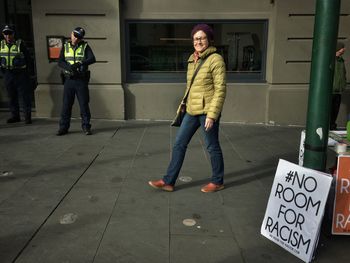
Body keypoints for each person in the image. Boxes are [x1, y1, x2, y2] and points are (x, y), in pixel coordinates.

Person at [148, 24, 226, 193]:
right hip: (192, 110)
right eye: (196, 38)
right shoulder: (192, 58)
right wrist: (184, 105)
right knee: (179, 144)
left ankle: (218, 181)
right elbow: (191, 87)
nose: (198, 41)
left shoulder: (216, 59)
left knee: (212, 146)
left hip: (207, 112)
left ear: (209, 39)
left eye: (202, 38)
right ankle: (168, 181)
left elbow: (220, 89)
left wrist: (213, 115)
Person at [56, 27, 96, 136]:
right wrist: (69, 68)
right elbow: (60, 61)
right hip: (69, 80)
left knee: (84, 105)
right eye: (75, 35)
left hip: (81, 80)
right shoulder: (65, 46)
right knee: (66, 105)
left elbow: (92, 59)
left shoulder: (85, 46)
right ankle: (63, 128)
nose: (76, 39)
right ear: (71, 34)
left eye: (79, 37)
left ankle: (86, 127)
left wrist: (80, 64)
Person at [0, 24, 33, 124]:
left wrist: (29, 73)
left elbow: (29, 59)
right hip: (8, 74)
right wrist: (2, 72)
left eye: (9, 33)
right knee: (11, 96)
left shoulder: (20, 44)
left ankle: (27, 117)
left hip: (20, 74)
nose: (8, 36)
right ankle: (15, 116)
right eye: (5, 34)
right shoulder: (1, 45)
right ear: (3, 34)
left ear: (13, 34)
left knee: (24, 97)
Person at [330, 41, 347, 130]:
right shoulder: (332, 60)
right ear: (338, 49)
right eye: (342, 47)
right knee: (329, 110)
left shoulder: (341, 60)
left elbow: (343, 74)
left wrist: (343, 85)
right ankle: (328, 126)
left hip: (338, 90)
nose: (344, 49)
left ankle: (332, 126)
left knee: (335, 110)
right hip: (331, 90)